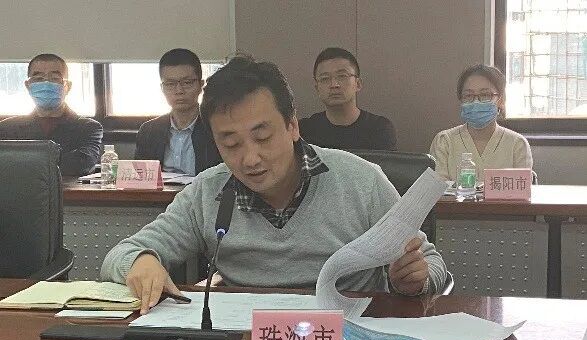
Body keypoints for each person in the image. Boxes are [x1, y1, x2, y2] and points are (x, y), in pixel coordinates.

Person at [101, 56, 446, 315]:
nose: (250, 159)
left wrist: (413, 279)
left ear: (292, 126)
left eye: (263, 137)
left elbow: (431, 262)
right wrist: (142, 261)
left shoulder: (362, 181)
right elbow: (119, 255)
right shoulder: (208, 192)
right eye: (231, 144)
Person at [0, 53, 102, 176]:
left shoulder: (88, 127)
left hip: (68, 189)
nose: (46, 83)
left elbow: (82, 164)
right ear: (28, 86)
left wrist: (24, 161)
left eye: (54, 78)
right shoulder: (7, 128)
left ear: (67, 86)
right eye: (38, 79)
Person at [429, 64, 533, 181]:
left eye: (485, 95)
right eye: (468, 95)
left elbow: (522, 189)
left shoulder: (517, 144)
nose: (476, 102)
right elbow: (437, 190)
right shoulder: (444, 141)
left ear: (501, 100)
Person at [134, 48, 222, 175]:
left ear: (200, 85)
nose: (179, 90)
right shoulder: (149, 131)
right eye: (170, 84)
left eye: (187, 82)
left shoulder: (214, 128)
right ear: (162, 88)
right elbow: (140, 179)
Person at [299, 47, 396, 151]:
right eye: (325, 78)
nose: (334, 85)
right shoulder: (305, 130)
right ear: (317, 88)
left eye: (342, 76)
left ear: (358, 84)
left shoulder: (379, 128)